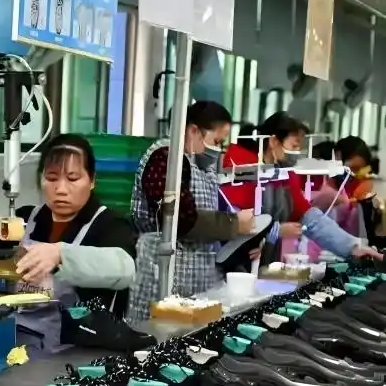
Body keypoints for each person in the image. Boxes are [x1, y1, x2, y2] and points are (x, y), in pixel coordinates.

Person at [0, 134, 138, 353]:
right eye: (52, 178)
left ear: (92, 181)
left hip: (74, 351)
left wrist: (60, 254)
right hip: (18, 341)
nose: (61, 189)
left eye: (72, 179)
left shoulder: (109, 225)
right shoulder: (28, 219)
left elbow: (124, 267)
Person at [125, 101, 256, 323]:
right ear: (193, 131)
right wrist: (234, 224)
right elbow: (178, 218)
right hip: (163, 276)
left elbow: (214, 222)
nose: (219, 149)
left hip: (199, 284)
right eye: (217, 141)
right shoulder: (166, 158)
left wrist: (245, 243)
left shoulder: (204, 169)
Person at [221, 113, 381, 263]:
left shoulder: (285, 174)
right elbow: (231, 220)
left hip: (265, 259)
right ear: (274, 142)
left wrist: (353, 246)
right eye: (294, 146)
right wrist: (274, 231)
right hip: (234, 261)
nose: (297, 153)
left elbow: (311, 218)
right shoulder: (242, 170)